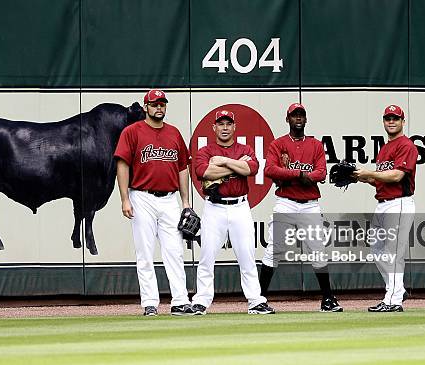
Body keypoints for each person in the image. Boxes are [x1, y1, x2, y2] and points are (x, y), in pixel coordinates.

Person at [114, 89, 194, 316]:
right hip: (142, 197)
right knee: (145, 253)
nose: (159, 107)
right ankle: (150, 302)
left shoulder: (174, 133)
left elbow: (182, 168)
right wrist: (124, 199)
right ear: (145, 107)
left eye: (162, 103)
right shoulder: (132, 131)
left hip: (169, 199)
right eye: (154, 104)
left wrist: (185, 201)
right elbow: (123, 165)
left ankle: (180, 301)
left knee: (175, 251)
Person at [259, 103, 343, 312]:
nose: (298, 118)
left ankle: (328, 299)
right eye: (294, 115)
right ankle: (258, 300)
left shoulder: (315, 145)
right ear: (287, 119)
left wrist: (291, 174)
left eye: (301, 115)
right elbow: (270, 170)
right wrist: (299, 175)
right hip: (285, 202)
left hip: (310, 205)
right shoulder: (278, 145)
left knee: (318, 251)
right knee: (274, 249)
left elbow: (321, 173)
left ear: (306, 119)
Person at [190, 110, 274, 315]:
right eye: (221, 124)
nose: (225, 127)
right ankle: (201, 300)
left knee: (247, 256)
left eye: (228, 123)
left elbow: (251, 169)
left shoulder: (244, 148)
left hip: (239, 207)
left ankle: (255, 300)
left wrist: (223, 161)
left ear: (234, 127)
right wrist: (237, 165)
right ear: (214, 127)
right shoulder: (206, 151)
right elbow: (204, 172)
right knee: (207, 256)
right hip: (214, 207)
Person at [353, 104, 417, 312]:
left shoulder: (406, 145)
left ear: (402, 122)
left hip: (399, 203)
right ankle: (397, 289)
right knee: (377, 248)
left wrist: (370, 172)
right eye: (388, 118)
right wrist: (363, 178)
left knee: (394, 253)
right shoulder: (384, 148)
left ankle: (393, 300)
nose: (391, 121)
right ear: (383, 121)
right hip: (383, 203)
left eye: (395, 118)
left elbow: (397, 175)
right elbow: (382, 180)